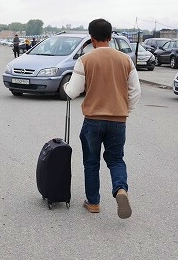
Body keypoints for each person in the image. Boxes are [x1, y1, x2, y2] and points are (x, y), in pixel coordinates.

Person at [64, 18, 141, 219]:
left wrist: (66, 88)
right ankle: (120, 190)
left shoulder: (85, 60)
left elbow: (73, 91)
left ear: (91, 38)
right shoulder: (125, 60)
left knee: (91, 162)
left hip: (92, 120)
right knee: (116, 159)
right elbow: (135, 91)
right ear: (110, 36)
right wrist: (125, 110)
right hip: (118, 120)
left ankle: (93, 203)